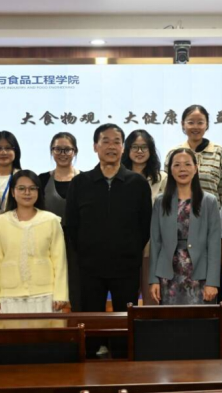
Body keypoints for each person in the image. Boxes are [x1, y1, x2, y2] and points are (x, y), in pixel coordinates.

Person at [64, 124, 153, 312]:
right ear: (95, 146)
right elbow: (71, 225)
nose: (111, 146)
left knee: (126, 321)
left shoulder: (138, 184)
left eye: (116, 142)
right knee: (91, 321)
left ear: (123, 148)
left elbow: (145, 226)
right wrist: (87, 251)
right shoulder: (80, 183)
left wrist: (130, 251)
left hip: (126, 269)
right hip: (89, 269)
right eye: (105, 141)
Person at [148, 148, 221, 305]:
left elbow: (214, 244)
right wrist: (153, 279)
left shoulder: (209, 201)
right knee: (170, 319)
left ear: (196, 168)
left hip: (200, 274)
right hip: (168, 275)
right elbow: (155, 242)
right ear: (170, 170)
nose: (182, 169)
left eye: (187, 164)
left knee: (201, 319)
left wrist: (212, 281)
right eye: (177, 165)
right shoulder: (161, 202)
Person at [0, 170, 68, 314]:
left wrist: (60, 294)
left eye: (32, 188)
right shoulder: (0, 222)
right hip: (9, 296)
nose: (27, 193)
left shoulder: (51, 220)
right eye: (21, 188)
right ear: (13, 192)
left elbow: (59, 261)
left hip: (46, 295)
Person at [122, 129, 167, 306]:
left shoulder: (162, 178)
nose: (139, 151)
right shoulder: (119, 178)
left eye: (144, 147)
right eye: (135, 147)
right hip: (126, 249)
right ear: (127, 149)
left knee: (152, 300)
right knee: (126, 301)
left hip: (152, 249)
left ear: (151, 150)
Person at [38, 132, 82, 311]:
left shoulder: (85, 180)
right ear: (52, 151)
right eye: (58, 149)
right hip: (48, 245)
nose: (62, 154)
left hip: (78, 246)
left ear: (75, 151)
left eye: (67, 149)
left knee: (78, 292)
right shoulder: (41, 180)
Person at [166, 105, 222, 204]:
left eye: (200, 122)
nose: (195, 127)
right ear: (183, 124)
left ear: (207, 125)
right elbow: (168, 187)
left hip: (211, 211)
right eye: (191, 122)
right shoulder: (174, 153)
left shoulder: (218, 152)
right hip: (179, 211)